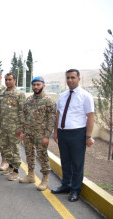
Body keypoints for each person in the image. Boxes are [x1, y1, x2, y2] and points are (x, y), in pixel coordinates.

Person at [51, 69, 95, 202]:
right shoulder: (63, 95)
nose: (70, 80)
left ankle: (75, 190)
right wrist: (56, 132)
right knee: (65, 161)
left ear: (79, 79)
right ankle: (65, 185)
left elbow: (90, 116)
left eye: (73, 77)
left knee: (77, 163)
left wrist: (88, 136)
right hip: (63, 133)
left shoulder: (85, 96)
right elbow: (58, 114)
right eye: (68, 78)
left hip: (77, 133)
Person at [18, 76, 56, 191]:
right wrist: (22, 131)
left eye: (38, 84)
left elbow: (51, 119)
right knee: (29, 154)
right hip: (28, 133)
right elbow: (23, 116)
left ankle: (45, 179)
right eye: (34, 85)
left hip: (41, 134)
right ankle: (31, 175)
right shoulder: (28, 100)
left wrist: (46, 136)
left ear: (43, 85)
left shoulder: (49, 101)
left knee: (42, 156)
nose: (35, 87)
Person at [0, 73, 25, 180]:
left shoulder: (19, 94)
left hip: (14, 127)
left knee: (14, 149)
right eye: (6, 80)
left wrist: (20, 129)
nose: (7, 82)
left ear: (15, 80)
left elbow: (22, 112)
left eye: (10, 80)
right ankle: (10, 167)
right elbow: (0, 110)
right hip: (3, 126)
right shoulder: (2, 93)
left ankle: (16, 171)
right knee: (4, 148)